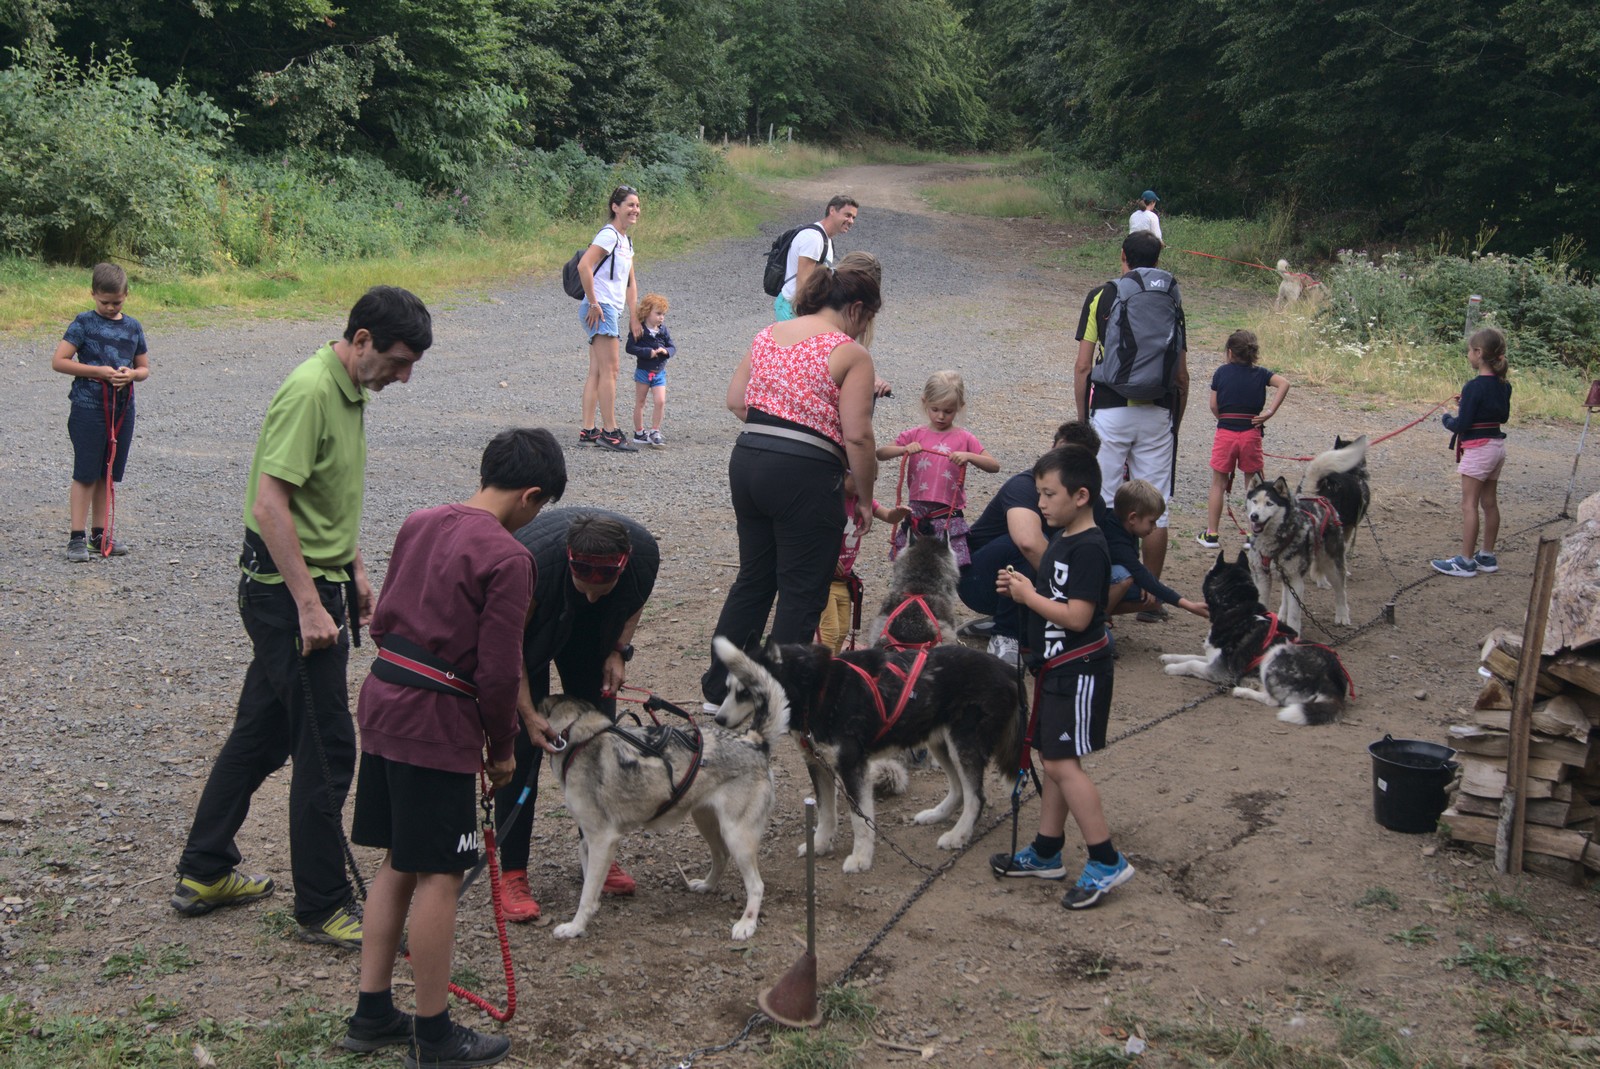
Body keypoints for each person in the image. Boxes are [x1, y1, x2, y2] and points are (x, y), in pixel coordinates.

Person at [171, 286, 433, 949]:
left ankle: (204, 868)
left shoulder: (349, 391)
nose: (403, 377)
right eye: (399, 361)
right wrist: (311, 603)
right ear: (364, 338)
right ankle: (323, 905)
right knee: (328, 747)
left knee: (262, 733)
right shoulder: (313, 390)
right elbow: (270, 505)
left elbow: (324, 496)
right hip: (288, 597)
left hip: (316, 581)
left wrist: (355, 567)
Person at [340, 428, 565, 1067]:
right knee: (442, 871)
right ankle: (435, 1034)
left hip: (384, 697)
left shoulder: (421, 520)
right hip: (434, 718)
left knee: (398, 861)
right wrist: (501, 749)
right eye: (539, 508)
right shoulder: (508, 557)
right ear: (530, 495)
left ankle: (373, 1011)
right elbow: (497, 671)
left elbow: (387, 612)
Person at [702, 258, 882, 703]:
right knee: (802, 588)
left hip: (748, 460)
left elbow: (737, 400)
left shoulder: (767, 334)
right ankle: (776, 694)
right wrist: (863, 495)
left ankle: (717, 687)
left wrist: (782, 421)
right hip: (804, 472)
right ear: (857, 309)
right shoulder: (850, 353)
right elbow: (858, 436)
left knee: (755, 579)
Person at [494, 509, 660, 921]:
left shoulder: (644, 556)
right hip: (532, 627)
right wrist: (530, 714)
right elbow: (508, 649)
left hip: (591, 632)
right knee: (522, 748)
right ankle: (512, 871)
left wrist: (618, 651)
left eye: (601, 590)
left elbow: (634, 603)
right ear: (571, 566)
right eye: (584, 587)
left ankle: (595, 853)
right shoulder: (529, 564)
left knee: (596, 740)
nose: (591, 595)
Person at [990, 446, 1134, 909]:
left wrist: (1029, 596)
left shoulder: (1090, 548)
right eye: (1039, 494)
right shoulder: (1063, 541)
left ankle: (1106, 859)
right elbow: (1052, 596)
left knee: (1061, 765)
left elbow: (1077, 617)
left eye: (1049, 495)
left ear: (1082, 495)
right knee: (1053, 757)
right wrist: (1021, 592)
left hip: (1080, 672)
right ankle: (1048, 851)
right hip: (1055, 670)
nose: (1042, 504)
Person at [1073, 230, 1189, 601]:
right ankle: (1149, 597)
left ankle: (1101, 590)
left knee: (1099, 502)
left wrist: (1083, 421)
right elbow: (1182, 374)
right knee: (1156, 508)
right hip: (1158, 410)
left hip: (1109, 409)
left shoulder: (1102, 295)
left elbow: (1082, 367)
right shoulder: (1171, 296)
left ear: (1122, 255)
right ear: (1158, 258)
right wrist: (1176, 422)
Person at [958, 422, 1089, 664]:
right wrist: (1070, 595)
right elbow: (1028, 543)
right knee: (1026, 542)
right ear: (1051, 449)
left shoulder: (1085, 497)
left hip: (1035, 582)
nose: (1063, 461)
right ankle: (1005, 634)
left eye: (1073, 457)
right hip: (978, 580)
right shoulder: (1025, 485)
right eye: (1060, 451)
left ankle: (1018, 622)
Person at [51, 262, 151, 562]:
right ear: (92, 294)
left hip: (122, 410)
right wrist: (98, 371)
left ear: (126, 296)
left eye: (116, 302)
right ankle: (76, 538)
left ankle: (100, 534)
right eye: (103, 302)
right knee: (85, 473)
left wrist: (131, 375)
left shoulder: (133, 327)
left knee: (107, 473)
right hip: (88, 409)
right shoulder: (83, 323)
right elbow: (59, 361)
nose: (109, 307)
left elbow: (144, 367)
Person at [878, 370, 999, 566]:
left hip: (948, 515)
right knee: (912, 566)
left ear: (960, 407)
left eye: (948, 411)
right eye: (935, 409)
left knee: (945, 570)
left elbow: (994, 466)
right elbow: (881, 453)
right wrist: (903, 449)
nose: (941, 416)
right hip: (917, 512)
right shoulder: (915, 434)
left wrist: (969, 456)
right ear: (925, 402)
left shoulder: (965, 438)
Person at [1196, 329, 1290, 549]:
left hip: (1226, 433)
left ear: (1229, 353)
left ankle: (1211, 535)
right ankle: (1252, 534)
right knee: (1253, 484)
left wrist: (1224, 419)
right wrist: (1269, 412)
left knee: (1218, 483)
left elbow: (1213, 405)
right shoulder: (1261, 374)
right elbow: (1284, 383)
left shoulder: (1221, 373)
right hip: (1251, 433)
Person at [1432, 326, 1511, 578]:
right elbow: (1503, 417)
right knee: (1489, 503)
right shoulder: (1503, 385)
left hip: (1478, 450)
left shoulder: (1473, 386)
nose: (1468, 355)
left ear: (1478, 353)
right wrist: (1466, 405)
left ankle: (1465, 561)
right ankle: (1486, 556)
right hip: (1497, 448)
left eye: (1469, 351)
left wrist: (1446, 418)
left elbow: (1462, 425)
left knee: (1469, 505)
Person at [577, 185, 642, 452]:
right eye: (629, 205)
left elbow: (630, 281)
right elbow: (584, 266)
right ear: (615, 207)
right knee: (611, 371)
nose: (635, 210)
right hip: (600, 308)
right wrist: (593, 302)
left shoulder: (626, 241)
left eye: (637, 205)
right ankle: (610, 432)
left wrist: (634, 316)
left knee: (598, 370)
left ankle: (589, 429)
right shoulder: (609, 235)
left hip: (609, 309)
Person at [819, 471, 908, 654]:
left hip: (844, 579)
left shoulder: (863, 501)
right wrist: (825, 556)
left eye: (872, 481)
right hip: (824, 578)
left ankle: (832, 668)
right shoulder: (828, 498)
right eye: (862, 478)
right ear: (844, 474)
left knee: (843, 630)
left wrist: (899, 513)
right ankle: (822, 671)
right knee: (830, 631)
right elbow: (811, 531)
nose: (866, 485)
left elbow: (888, 516)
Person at [1105, 480, 1207, 620]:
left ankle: (1100, 612)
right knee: (1124, 577)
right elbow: (1138, 571)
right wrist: (1189, 605)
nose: (1154, 528)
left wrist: (1145, 582)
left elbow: (1139, 571)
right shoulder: (1115, 540)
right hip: (1086, 583)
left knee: (1155, 597)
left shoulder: (1127, 527)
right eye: (1152, 522)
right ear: (1133, 517)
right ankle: (1095, 621)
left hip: (1101, 578)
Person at [773, 195, 859, 322]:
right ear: (832, 211)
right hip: (793, 308)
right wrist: (809, 318)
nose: (851, 221)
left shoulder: (825, 239)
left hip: (798, 308)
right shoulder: (813, 239)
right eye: (847, 215)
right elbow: (803, 283)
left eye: (853, 217)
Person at [625, 292, 675, 449]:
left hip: (659, 372)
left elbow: (672, 346)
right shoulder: (639, 330)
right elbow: (630, 347)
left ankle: (655, 430)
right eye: (658, 313)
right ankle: (639, 432)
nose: (661, 318)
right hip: (643, 371)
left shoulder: (663, 330)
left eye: (663, 314)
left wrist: (666, 351)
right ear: (647, 312)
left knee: (660, 400)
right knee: (640, 402)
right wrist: (647, 352)